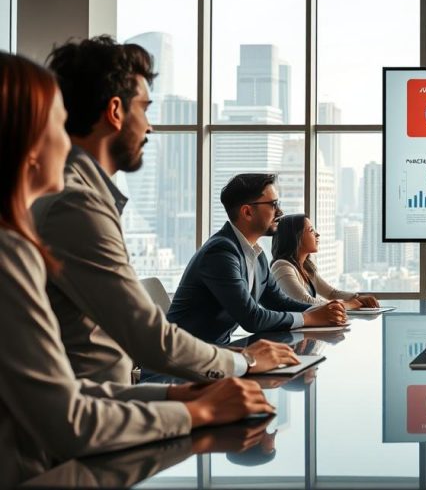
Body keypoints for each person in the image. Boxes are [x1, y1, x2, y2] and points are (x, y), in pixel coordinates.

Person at [0, 52, 273, 486]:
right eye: (56, 121)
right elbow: (70, 415)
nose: (64, 138)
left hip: (94, 428)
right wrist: (199, 405)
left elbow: (61, 392)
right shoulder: (52, 220)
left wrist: (173, 395)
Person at [31, 36, 298, 384]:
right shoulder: (76, 204)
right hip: (99, 414)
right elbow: (148, 335)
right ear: (115, 112)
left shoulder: (82, 195)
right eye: (144, 108)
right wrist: (243, 361)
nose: (149, 125)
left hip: (115, 399)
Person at [167, 174, 348, 345]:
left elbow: (278, 302)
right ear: (247, 212)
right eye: (273, 204)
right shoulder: (220, 252)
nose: (280, 212)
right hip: (179, 365)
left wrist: (322, 311)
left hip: (213, 354)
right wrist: (311, 318)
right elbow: (252, 318)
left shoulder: (257, 255)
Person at [269, 213, 379, 308]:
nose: (317, 234)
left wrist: (357, 298)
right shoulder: (282, 267)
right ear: (295, 237)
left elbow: (331, 293)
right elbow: (305, 302)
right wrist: (347, 305)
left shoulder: (306, 267)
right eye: (311, 230)